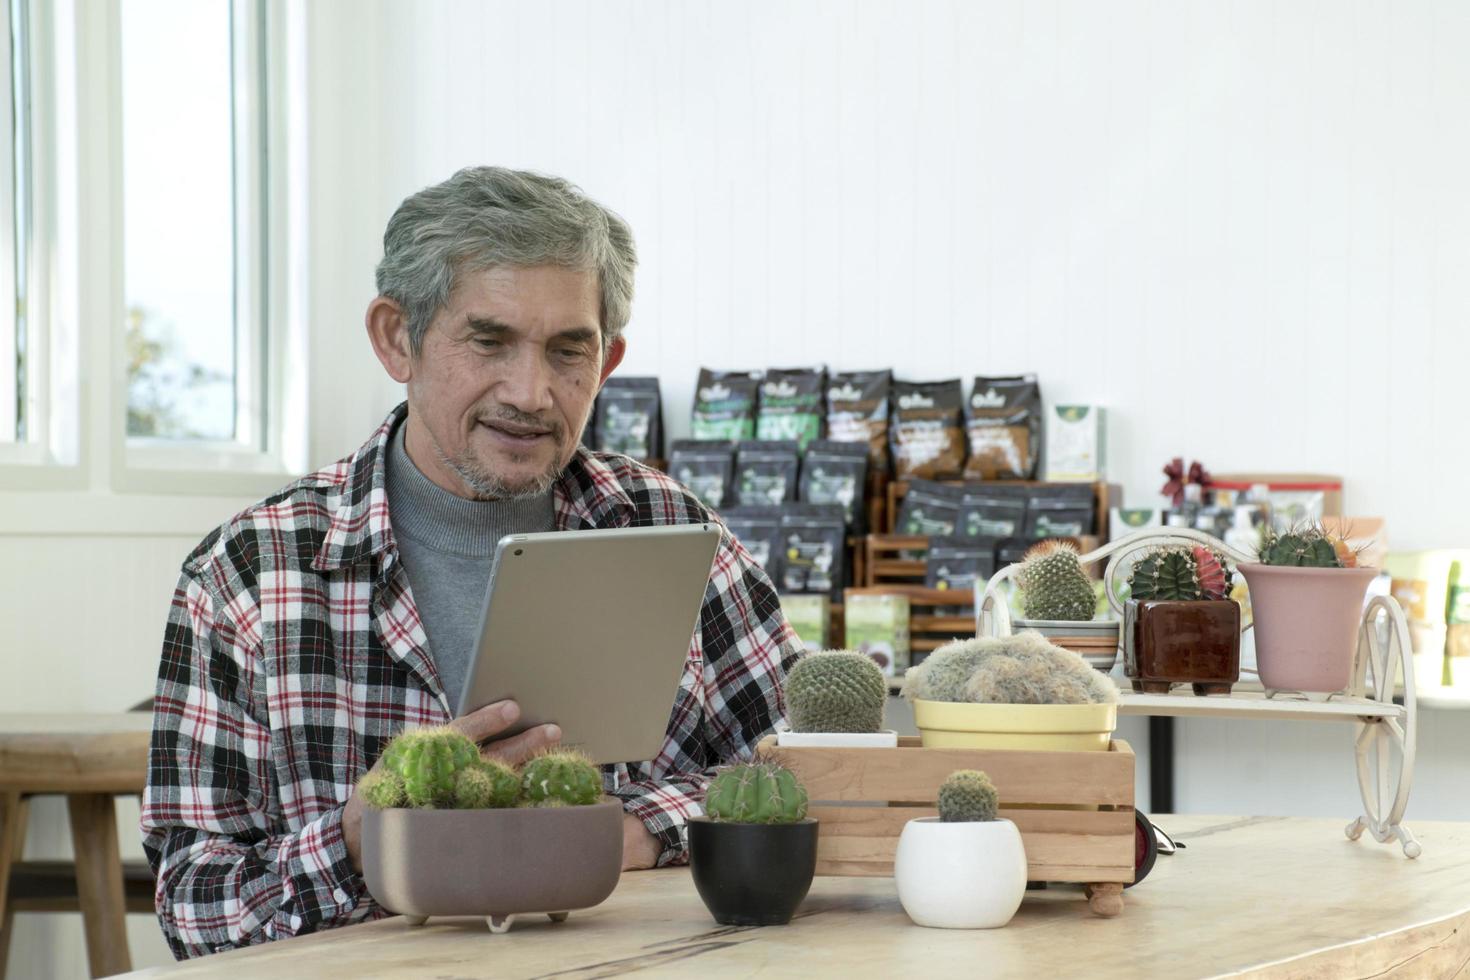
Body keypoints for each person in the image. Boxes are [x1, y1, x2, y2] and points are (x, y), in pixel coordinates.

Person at [141, 167, 800, 959]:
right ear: (396, 338)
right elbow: (192, 905)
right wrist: (363, 841)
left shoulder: (673, 530)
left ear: (609, 360)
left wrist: (623, 830)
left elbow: (796, 779)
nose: (530, 391)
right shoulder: (247, 574)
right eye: (488, 341)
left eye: (568, 352)